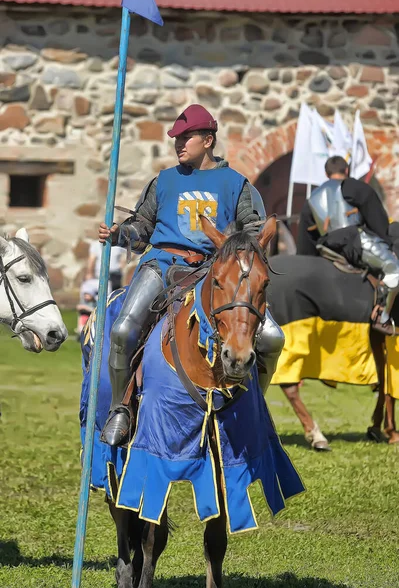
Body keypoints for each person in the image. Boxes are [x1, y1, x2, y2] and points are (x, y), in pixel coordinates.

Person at [98, 103, 285, 446]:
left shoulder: (235, 184)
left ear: (209, 140)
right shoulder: (164, 181)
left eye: (186, 137)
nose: (178, 143)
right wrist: (119, 235)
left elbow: (255, 232)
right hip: (162, 265)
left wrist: (241, 249)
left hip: (215, 271)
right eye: (176, 138)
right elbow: (141, 229)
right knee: (125, 329)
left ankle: (255, 404)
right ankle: (120, 409)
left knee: (272, 338)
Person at [297, 155, 399, 334]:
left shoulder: (311, 198)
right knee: (394, 270)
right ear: (346, 171)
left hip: (326, 248)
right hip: (355, 242)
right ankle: (382, 316)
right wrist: (388, 246)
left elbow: (306, 243)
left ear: (326, 174)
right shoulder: (358, 188)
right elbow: (379, 225)